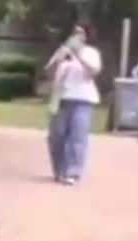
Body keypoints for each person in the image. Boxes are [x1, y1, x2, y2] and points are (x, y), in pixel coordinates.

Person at [45, 24, 102, 186]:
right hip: (61, 98)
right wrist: (59, 58)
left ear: (87, 36)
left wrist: (78, 55)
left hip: (83, 98)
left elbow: (93, 72)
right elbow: (48, 72)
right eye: (75, 32)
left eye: (81, 33)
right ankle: (59, 170)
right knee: (56, 136)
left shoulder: (91, 53)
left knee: (78, 136)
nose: (77, 35)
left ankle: (73, 172)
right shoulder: (62, 51)